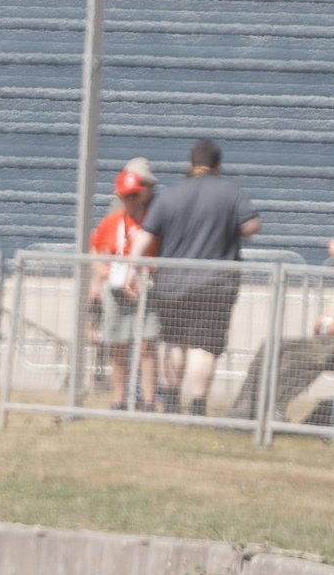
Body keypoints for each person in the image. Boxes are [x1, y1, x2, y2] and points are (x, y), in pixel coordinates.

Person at [145, 138, 259, 415]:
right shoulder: (231, 193)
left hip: (171, 285)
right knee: (203, 346)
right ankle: (197, 405)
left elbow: (145, 235)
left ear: (191, 164)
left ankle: (171, 401)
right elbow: (252, 226)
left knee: (173, 341)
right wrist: (228, 228)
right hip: (215, 286)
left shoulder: (170, 194)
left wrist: (132, 269)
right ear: (217, 165)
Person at [87, 160, 160, 410]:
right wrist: (101, 273)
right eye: (126, 196)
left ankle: (149, 401)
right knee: (117, 345)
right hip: (115, 290)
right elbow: (96, 247)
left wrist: (147, 271)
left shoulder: (152, 223)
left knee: (147, 344)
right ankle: (119, 399)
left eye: (135, 195)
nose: (131, 200)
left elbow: (161, 255)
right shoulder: (112, 221)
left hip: (144, 289)